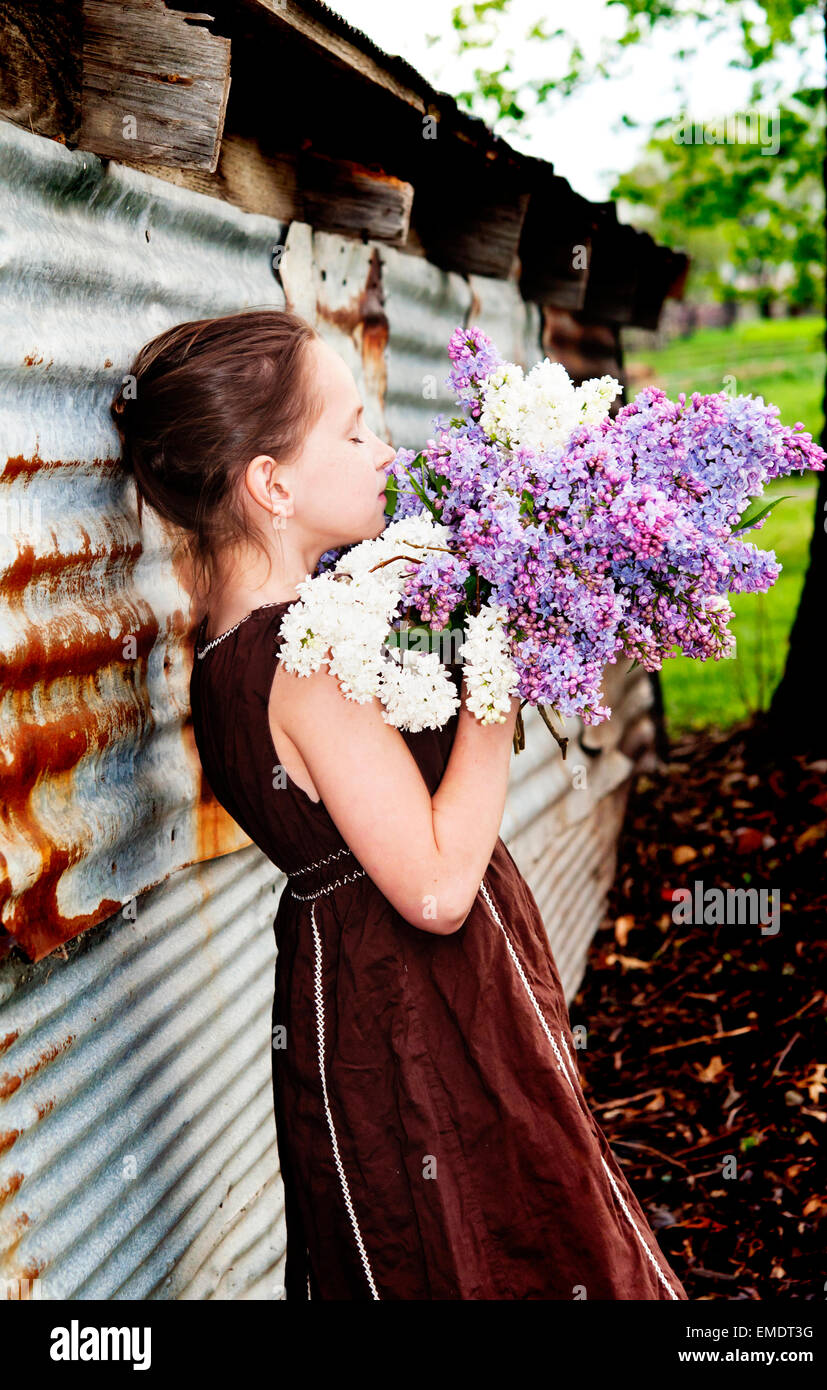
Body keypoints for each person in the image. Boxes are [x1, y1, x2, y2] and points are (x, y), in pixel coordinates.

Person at [111, 307, 688, 1302]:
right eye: (352, 429)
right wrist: (498, 671)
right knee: (485, 1239)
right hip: (414, 1009)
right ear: (271, 483)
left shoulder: (260, 631)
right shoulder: (300, 655)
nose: (385, 449)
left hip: (386, 996)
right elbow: (432, 886)